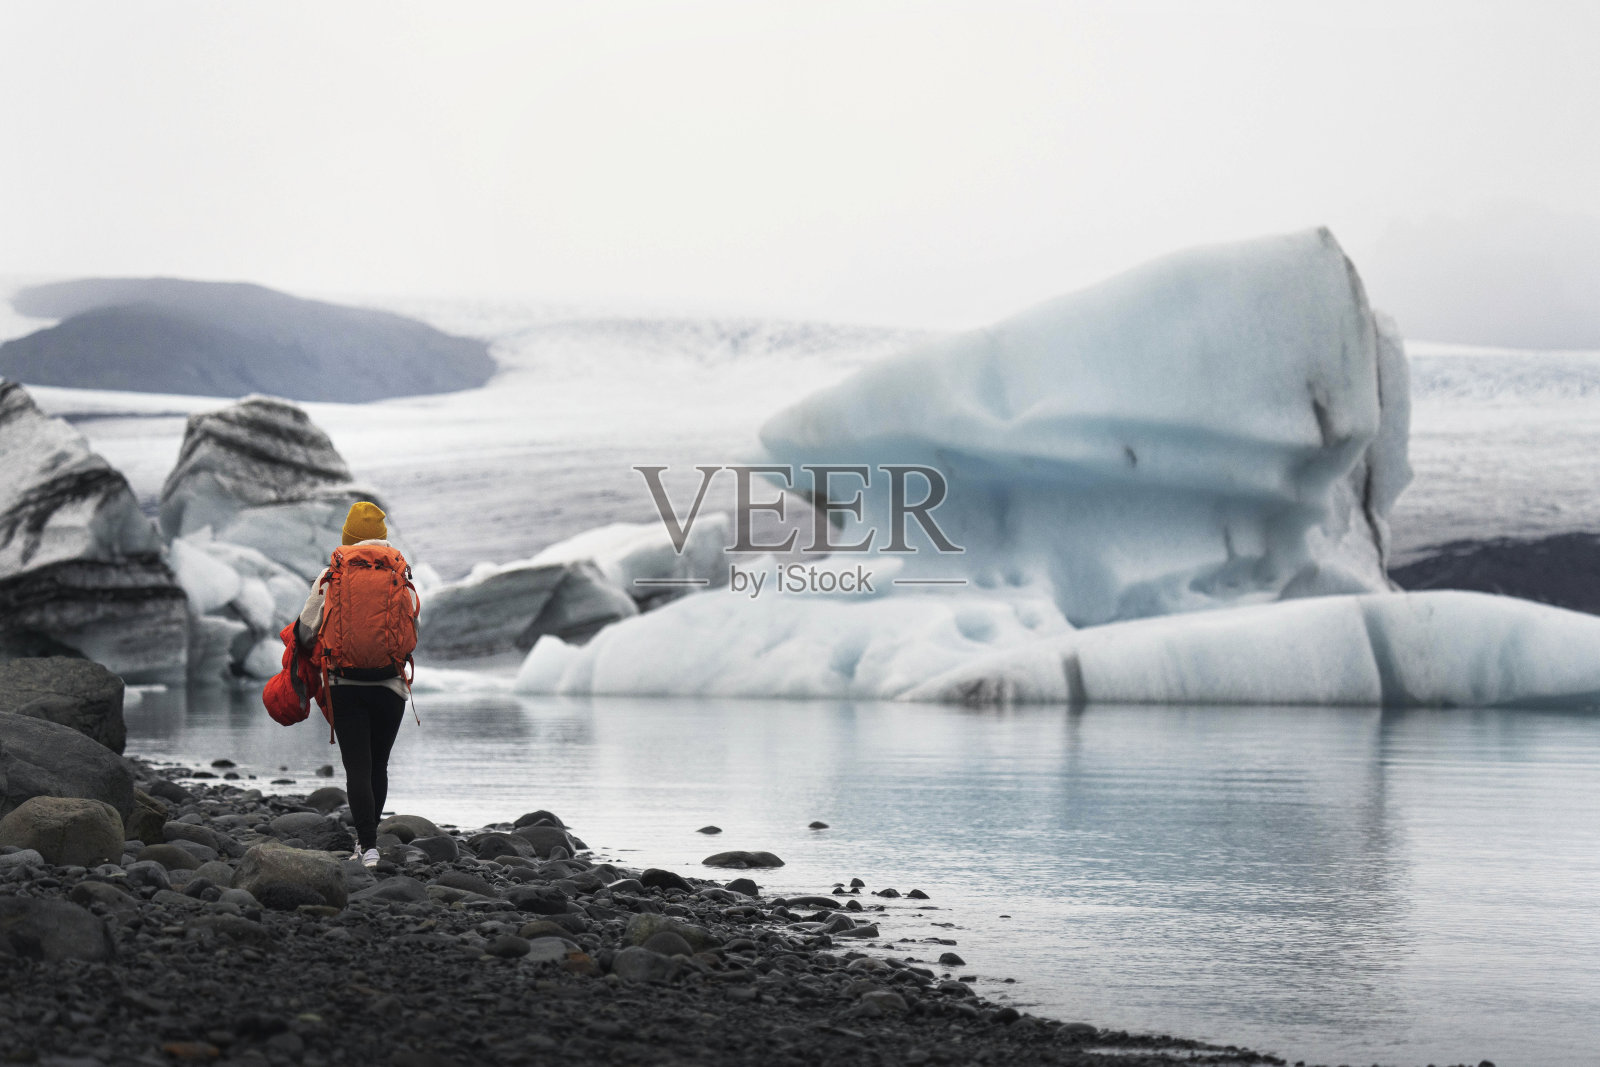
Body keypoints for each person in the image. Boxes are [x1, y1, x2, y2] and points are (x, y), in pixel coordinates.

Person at [296, 501, 419, 868]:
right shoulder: (399, 572)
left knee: (358, 769)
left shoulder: (331, 574)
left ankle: (366, 847)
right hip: (390, 686)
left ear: (347, 537)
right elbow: (412, 632)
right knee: (378, 766)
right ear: (383, 537)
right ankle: (370, 845)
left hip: (344, 685)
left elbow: (306, 631)